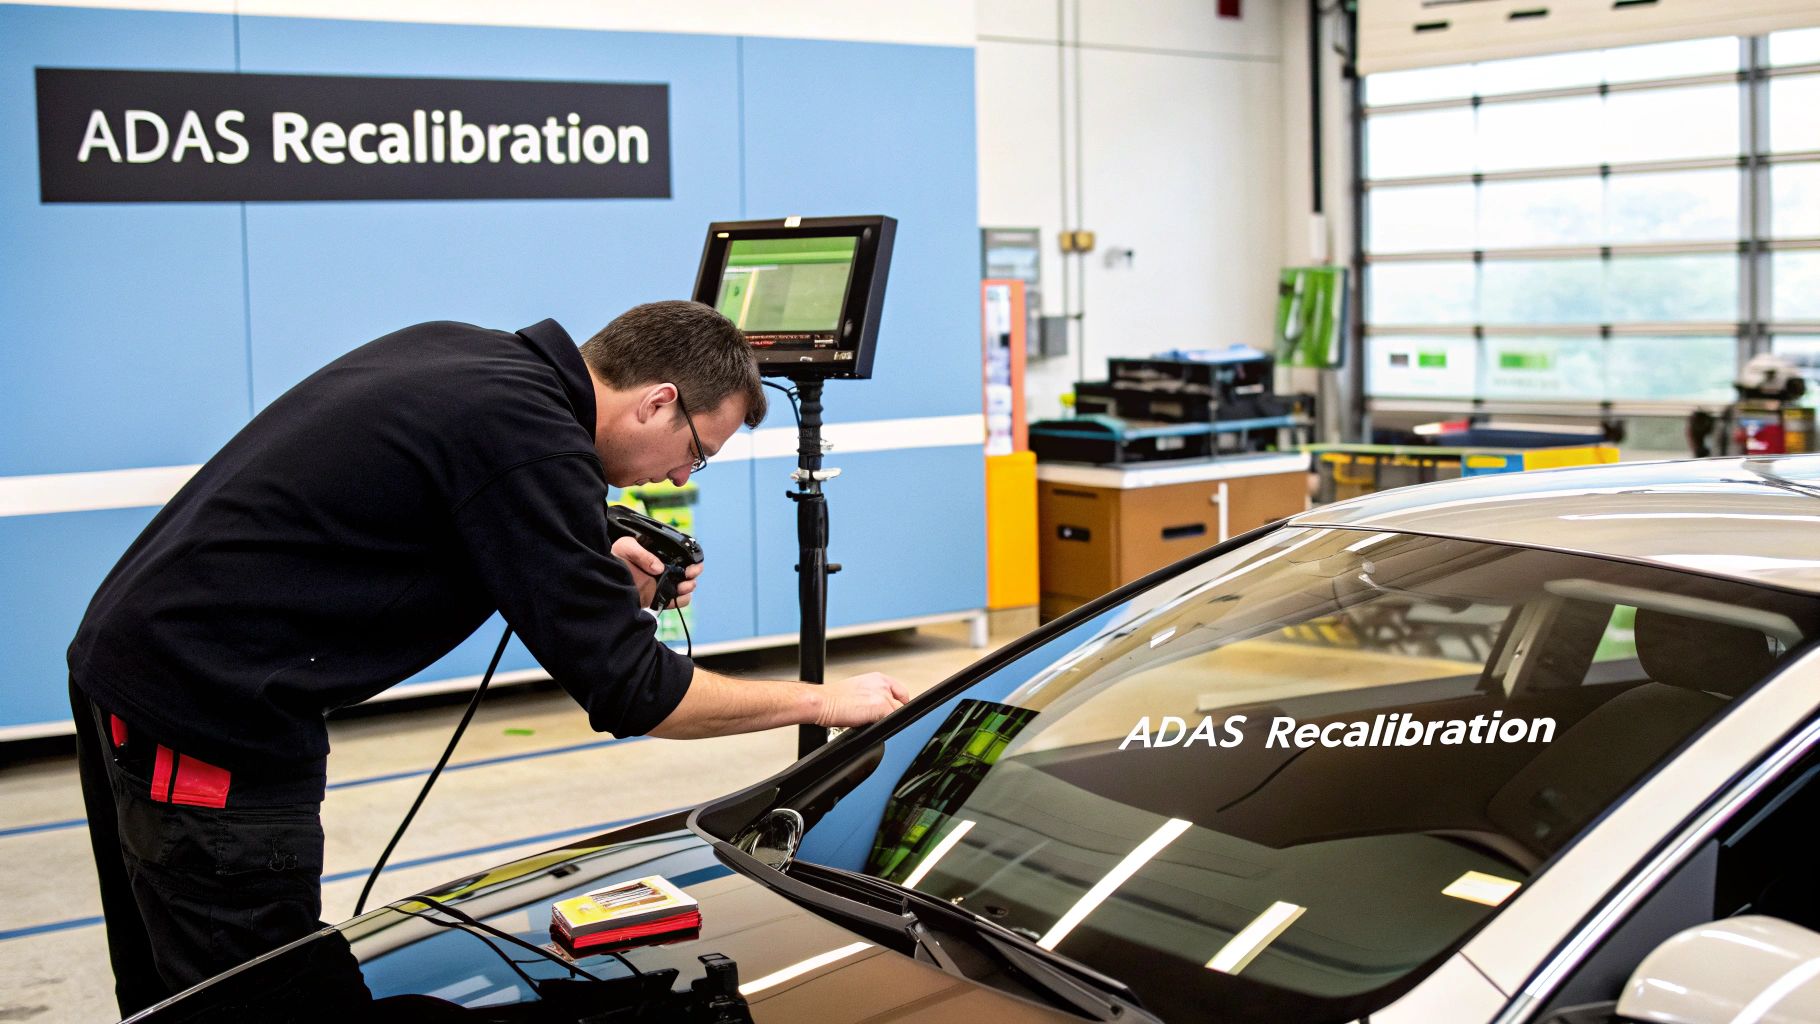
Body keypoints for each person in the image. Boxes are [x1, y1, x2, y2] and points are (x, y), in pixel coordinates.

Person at [66, 301, 908, 1016]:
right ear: (657, 402)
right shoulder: (531, 441)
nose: (680, 475)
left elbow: (444, 500)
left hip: (133, 662)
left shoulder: (471, 355)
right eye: (698, 451)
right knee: (255, 994)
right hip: (205, 705)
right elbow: (637, 692)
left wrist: (584, 546)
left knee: (166, 995)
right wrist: (826, 702)